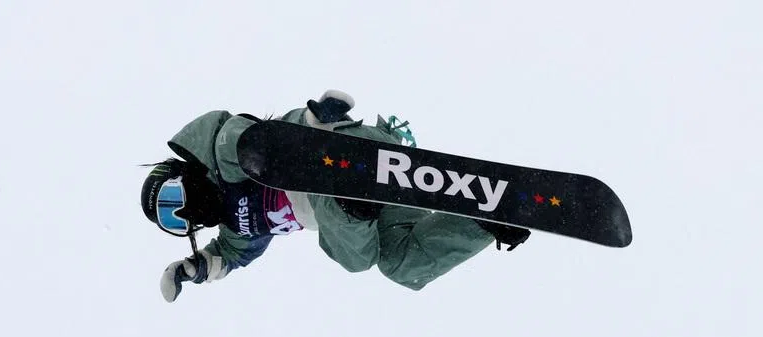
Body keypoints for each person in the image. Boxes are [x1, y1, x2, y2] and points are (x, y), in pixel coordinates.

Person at [141, 90, 530, 302]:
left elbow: (247, 137)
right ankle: (489, 218)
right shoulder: (238, 228)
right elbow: (230, 256)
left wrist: (314, 120)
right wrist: (192, 269)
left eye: (174, 199)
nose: (186, 212)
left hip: (339, 155)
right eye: (177, 222)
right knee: (398, 267)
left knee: (262, 158)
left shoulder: (224, 154)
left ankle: (348, 187)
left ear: (184, 172)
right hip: (363, 209)